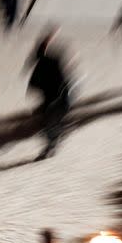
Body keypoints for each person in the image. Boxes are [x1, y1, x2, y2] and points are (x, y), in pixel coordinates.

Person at [27, 31, 71, 160]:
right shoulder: (45, 63)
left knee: (49, 122)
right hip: (54, 98)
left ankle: (52, 144)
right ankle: (53, 140)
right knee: (46, 123)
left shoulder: (50, 62)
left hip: (58, 98)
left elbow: (61, 83)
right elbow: (34, 84)